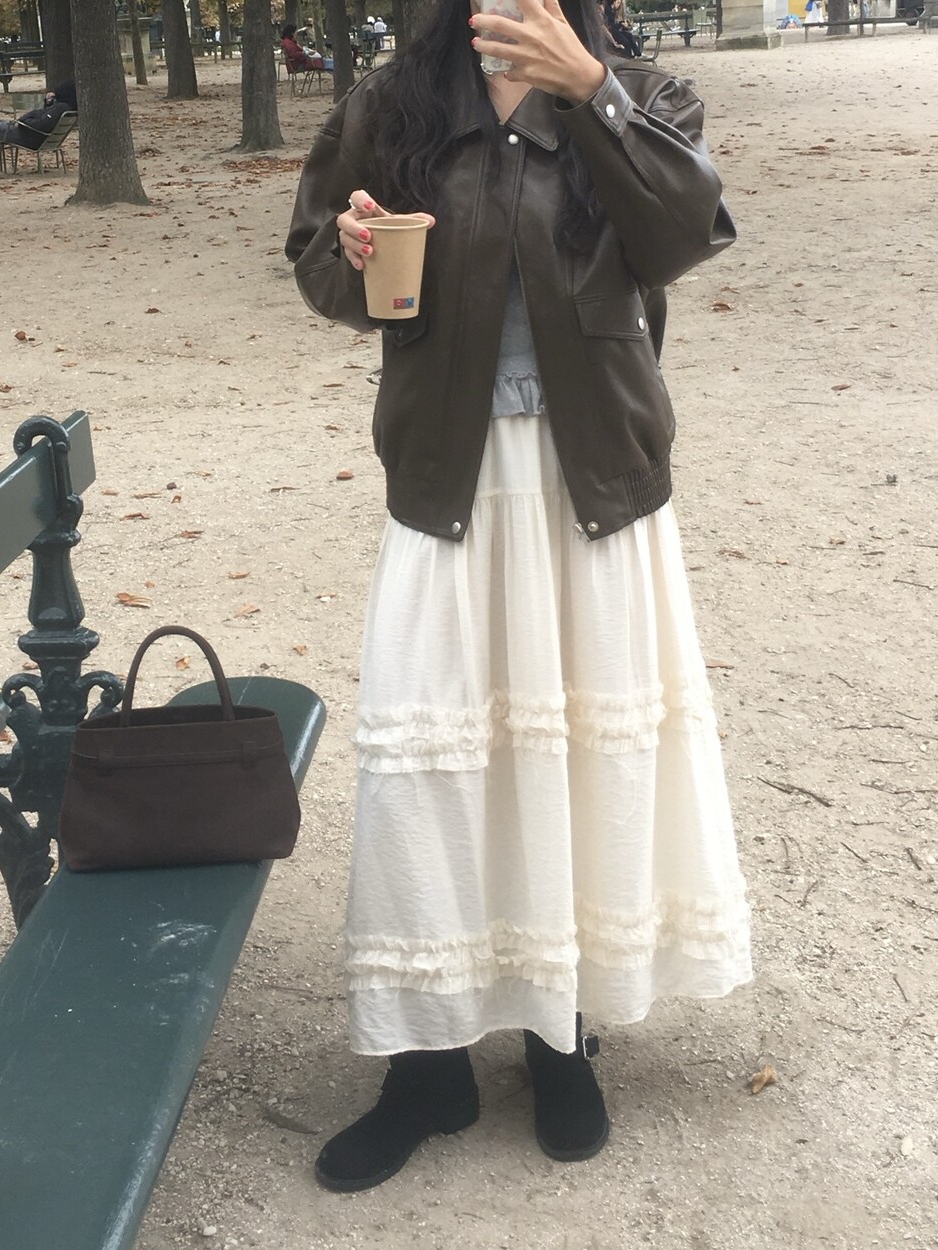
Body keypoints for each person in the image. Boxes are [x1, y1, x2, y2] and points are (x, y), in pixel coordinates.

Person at [286, 0, 751, 1194]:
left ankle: (559, 1034)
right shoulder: (393, 103)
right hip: (446, 478)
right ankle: (428, 1064)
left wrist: (591, 89)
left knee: (574, 764)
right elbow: (319, 264)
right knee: (430, 772)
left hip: (590, 481)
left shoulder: (642, 93)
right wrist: (349, 258)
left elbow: (682, 233)